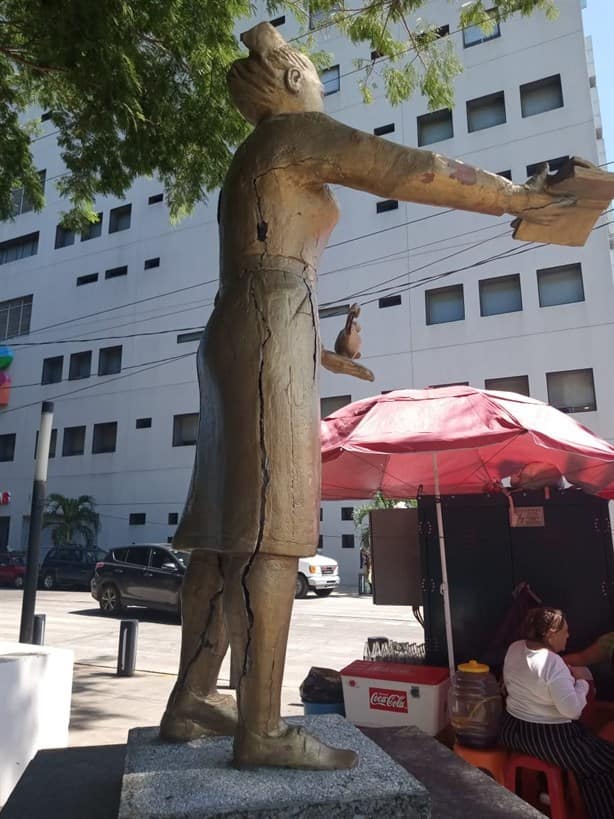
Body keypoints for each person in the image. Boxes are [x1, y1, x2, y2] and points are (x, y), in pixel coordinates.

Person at [159, 21, 581, 771]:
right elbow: (405, 168)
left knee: (226, 527)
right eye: (311, 70)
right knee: (274, 529)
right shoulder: (294, 133)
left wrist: (320, 355)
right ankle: (259, 728)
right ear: (291, 82)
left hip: (241, 327)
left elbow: (261, 269)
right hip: (269, 324)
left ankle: (192, 697)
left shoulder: (252, 157)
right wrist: (519, 197)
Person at [500, 607, 614, 819]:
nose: (569, 635)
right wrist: (582, 685)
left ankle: (550, 795)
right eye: (566, 631)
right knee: (605, 762)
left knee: (588, 760)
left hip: (512, 730)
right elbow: (572, 710)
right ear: (551, 634)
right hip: (549, 737)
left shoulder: (515, 648)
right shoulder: (553, 663)